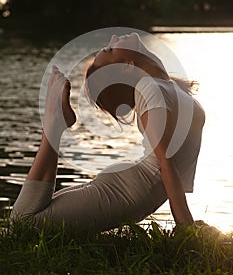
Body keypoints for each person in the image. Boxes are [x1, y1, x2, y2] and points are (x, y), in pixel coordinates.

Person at [11, 33, 205, 233]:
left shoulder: (167, 86)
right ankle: (53, 126)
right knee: (23, 221)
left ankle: (54, 126)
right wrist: (186, 227)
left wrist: (187, 226)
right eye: (110, 49)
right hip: (129, 191)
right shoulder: (151, 88)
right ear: (127, 66)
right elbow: (166, 163)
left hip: (130, 189)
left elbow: (169, 164)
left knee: (23, 220)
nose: (113, 37)